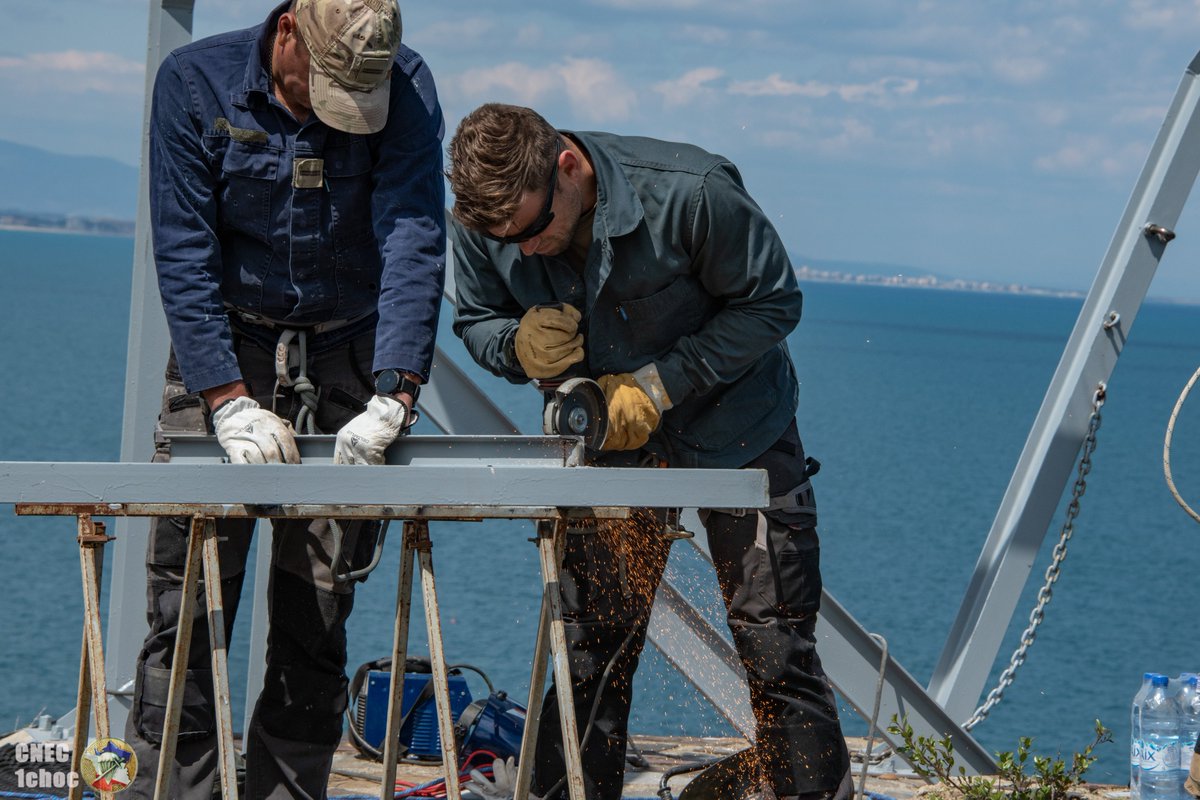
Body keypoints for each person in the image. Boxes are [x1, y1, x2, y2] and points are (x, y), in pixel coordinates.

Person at [445, 103, 851, 800]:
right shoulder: (489, 220)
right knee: (591, 650)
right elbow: (478, 320)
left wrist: (663, 385)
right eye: (507, 239)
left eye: (536, 230)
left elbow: (774, 303)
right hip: (610, 453)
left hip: (741, 430)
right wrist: (516, 347)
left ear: (567, 166)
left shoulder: (691, 194)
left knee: (775, 647)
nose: (529, 249)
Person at [124, 0, 446, 797]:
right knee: (188, 610)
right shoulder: (193, 84)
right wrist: (227, 399)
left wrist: (398, 389)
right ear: (289, 29)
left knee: (319, 614)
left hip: (351, 351)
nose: (329, 114)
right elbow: (183, 246)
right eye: (319, 90)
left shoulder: (403, 86)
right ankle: (171, 789)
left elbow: (413, 231)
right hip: (227, 347)